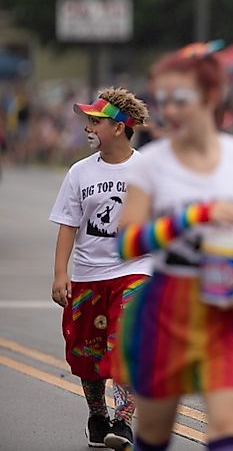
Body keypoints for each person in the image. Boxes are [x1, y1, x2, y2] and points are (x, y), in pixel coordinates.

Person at [112, 41, 233, 451]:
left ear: (210, 98)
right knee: (154, 436)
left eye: (180, 100)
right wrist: (192, 217)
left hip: (228, 310)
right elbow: (127, 242)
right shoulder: (153, 162)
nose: (168, 111)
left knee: (228, 432)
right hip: (166, 309)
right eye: (163, 100)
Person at [49, 87, 154, 449]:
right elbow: (68, 224)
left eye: (97, 121)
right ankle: (98, 417)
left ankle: (122, 422)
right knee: (86, 354)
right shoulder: (79, 173)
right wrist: (61, 273)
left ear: (121, 127)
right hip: (89, 275)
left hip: (135, 270)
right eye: (88, 121)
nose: (88, 127)